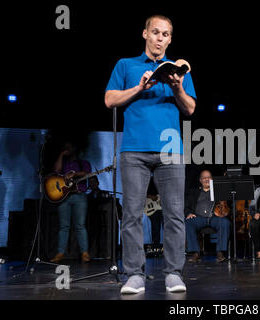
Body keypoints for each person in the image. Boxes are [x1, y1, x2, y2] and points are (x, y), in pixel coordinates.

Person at [104, 15, 196, 294]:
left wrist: (177, 86)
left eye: (165, 34)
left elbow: (190, 109)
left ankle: (173, 273)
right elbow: (109, 100)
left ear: (170, 39)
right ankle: (134, 274)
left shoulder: (179, 71)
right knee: (132, 214)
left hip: (170, 151)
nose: (160, 38)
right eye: (155, 32)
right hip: (134, 150)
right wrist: (139, 88)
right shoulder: (126, 65)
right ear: (145, 34)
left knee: (174, 215)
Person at [50, 140, 91, 263]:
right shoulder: (63, 163)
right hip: (64, 197)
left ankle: (84, 252)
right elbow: (56, 171)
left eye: (69, 147)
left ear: (74, 148)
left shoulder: (83, 162)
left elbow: (87, 173)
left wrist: (74, 174)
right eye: (65, 147)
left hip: (79, 196)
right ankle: (60, 253)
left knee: (80, 225)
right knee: (64, 226)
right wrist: (61, 155)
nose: (67, 149)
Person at [185, 170, 230, 263]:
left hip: (215, 218)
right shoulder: (194, 192)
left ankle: (220, 252)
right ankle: (196, 252)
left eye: (208, 177)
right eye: (204, 178)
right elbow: (187, 206)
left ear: (212, 179)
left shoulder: (218, 191)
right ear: (200, 180)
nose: (206, 179)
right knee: (188, 222)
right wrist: (189, 213)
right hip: (199, 217)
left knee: (225, 222)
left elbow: (227, 206)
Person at [87, 176, 111, 259]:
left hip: (103, 220)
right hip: (92, 220)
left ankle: (103, 254)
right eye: (90, 182)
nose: (92, 184)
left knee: (103, 237)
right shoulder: (87, 197)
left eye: (94, 181)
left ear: (98, 183)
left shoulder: (105, 193)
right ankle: (93, 253)